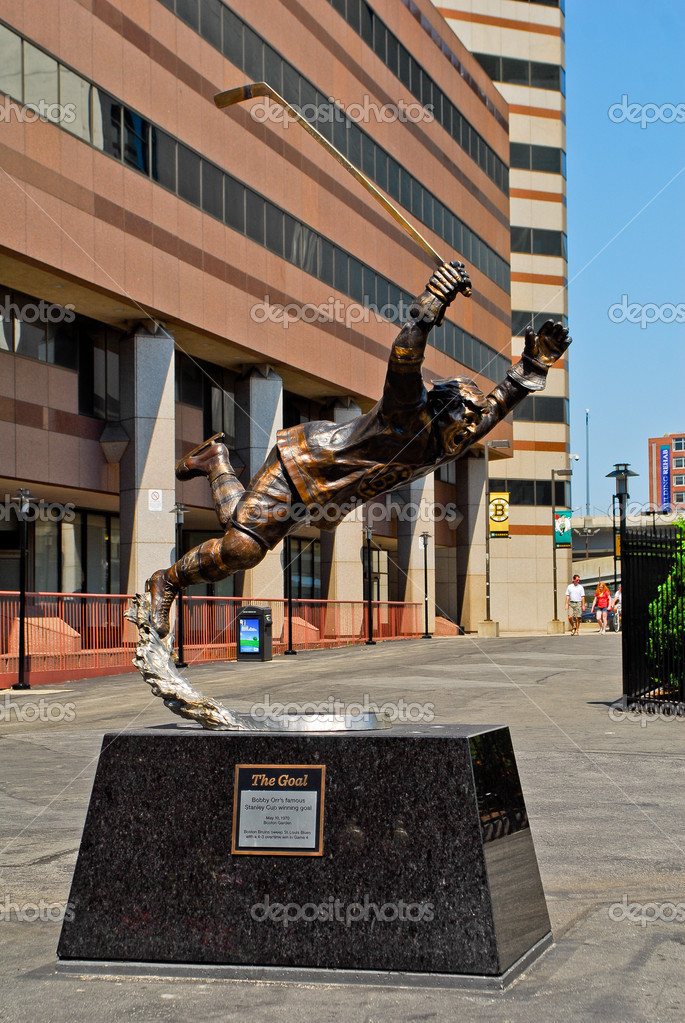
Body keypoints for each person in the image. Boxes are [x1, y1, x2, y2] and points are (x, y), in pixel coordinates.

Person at [147, 259, 571, 637]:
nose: (474, 423)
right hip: (306, 465)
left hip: (323, 496)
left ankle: (215, 459)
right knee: (244, 547)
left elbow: (497, 405)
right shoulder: (408, 411)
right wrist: (432, 303)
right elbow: (405, 356)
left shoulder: (447, 444)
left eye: (475, 418)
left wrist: (532, 367)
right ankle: (165, 581)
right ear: (444, 407)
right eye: (468, 414)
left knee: (240, 526)